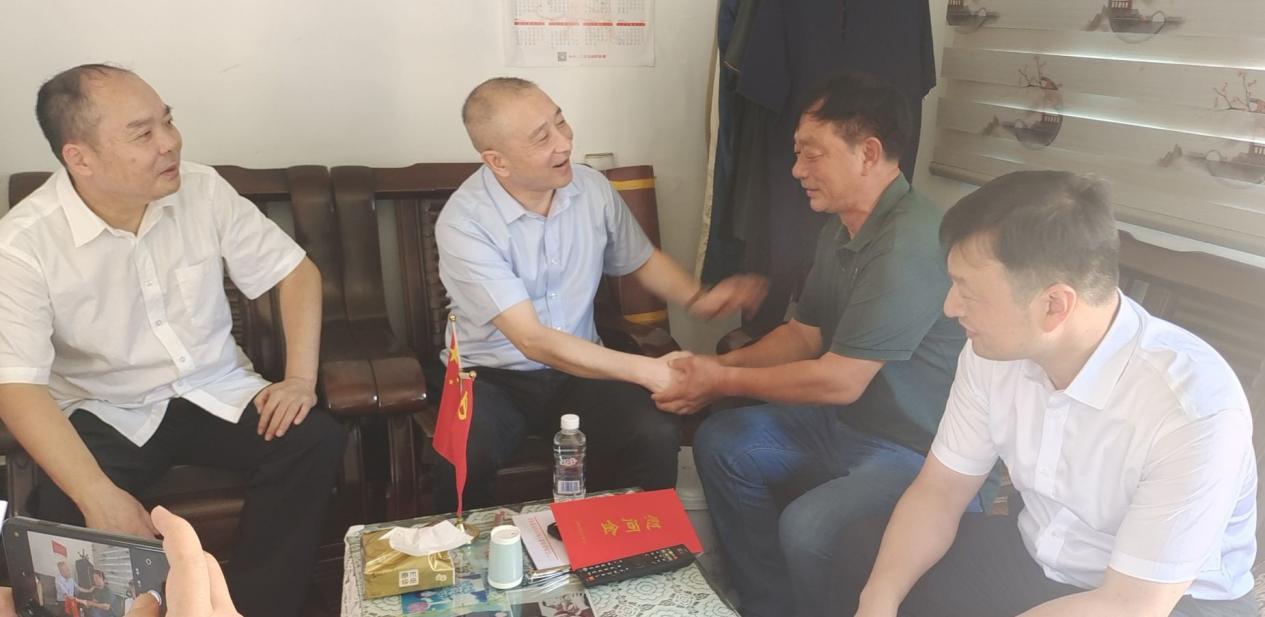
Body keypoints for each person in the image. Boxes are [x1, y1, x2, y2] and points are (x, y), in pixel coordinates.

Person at [0, 64, 346, 617]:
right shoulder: (23, 244)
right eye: (143, 133)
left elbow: (295, 272)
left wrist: (300, 380)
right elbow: (16, 385)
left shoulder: (202, 189)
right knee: (62, 513)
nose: (170, 143)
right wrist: (97, 496)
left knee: (312, 439)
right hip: (106, 408)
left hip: (214, 388)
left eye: (167, 121)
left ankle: (253, 608)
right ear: (80, 158)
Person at [836, 171, 1258, 616]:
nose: (950, 307)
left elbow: (1130, 604)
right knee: (865, 557)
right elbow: (940, 490)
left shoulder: (1193, 411)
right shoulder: (991, 352)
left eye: (968, 292)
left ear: (1054, 305)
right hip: (1043, 552)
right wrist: (878, 600)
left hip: (1170, 598)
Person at [657, 71, 970, 617]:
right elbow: (804, 336)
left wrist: (720, 379)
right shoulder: (844, 227)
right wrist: (708, 367)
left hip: (917, 450)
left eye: (812, 153)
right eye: (797, 153)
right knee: (725, 441)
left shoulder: (910, 242)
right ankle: (769, 605)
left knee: (808, 526)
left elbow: (840, 380)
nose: (797, 169)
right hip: (847, 426)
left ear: (868, 153)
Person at [432, 76, 767, 512]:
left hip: (581, 369)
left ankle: (642, 546)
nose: (564, 142)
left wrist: (699, 298)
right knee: (461, 457)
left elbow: (640, 259)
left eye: (560, 121)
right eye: (542, 137)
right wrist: (648, 371)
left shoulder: (590, 189)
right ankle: (474, 555)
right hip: (490, 377)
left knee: (653, 430)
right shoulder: (464, 223)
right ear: (498, 161)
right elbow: (531, 339)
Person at [0, 507, 239, 617]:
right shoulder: (79, 584)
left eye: (97, 577)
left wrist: (87, 599)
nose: (95, 579)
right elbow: (81, 593)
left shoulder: (106, 592)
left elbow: (101, 604)